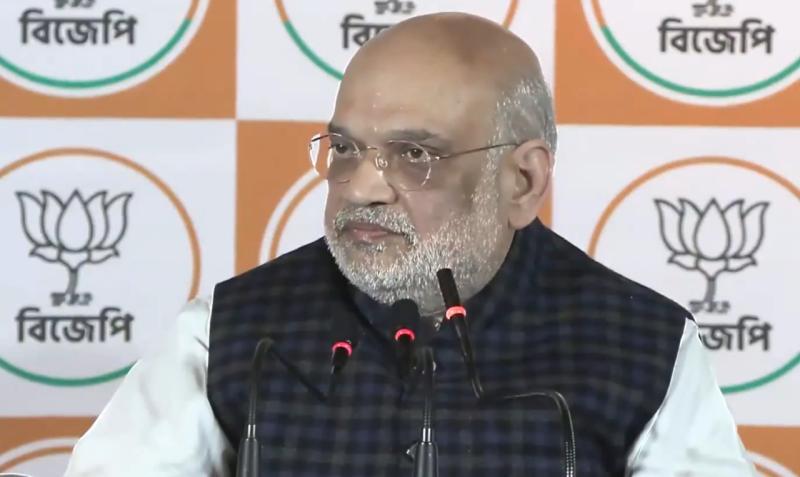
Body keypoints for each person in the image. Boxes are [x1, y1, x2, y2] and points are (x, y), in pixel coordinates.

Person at [65, 13, 755, 476]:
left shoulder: (644, 345)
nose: (363, 186)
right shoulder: (229, 333)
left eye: (415, 154)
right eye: (344, 149)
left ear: (522, 180)